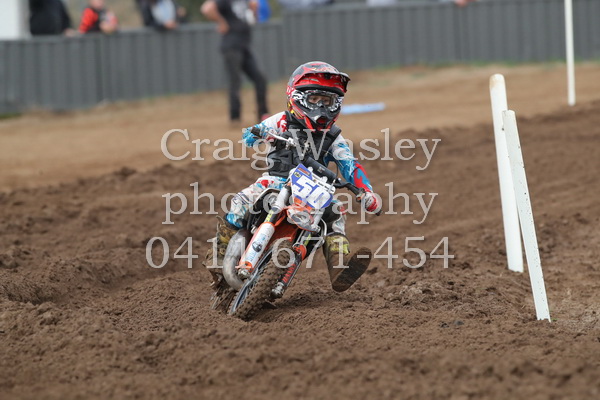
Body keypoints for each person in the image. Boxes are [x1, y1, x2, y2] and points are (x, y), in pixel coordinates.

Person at [204, 61, 381, 293]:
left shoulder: (333, 137)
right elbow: (248, 137)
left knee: (336, 212)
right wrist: (261, 133)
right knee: (241, 201)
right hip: (276, 181)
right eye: (314, 99)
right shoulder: (281, 121)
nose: (321, 107)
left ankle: (339, 265)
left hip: (314, 191)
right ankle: (218, 254)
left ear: (336, 104)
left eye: (327, 101)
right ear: (296, 97)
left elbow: (350, 165)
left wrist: (366, 191)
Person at [201, 0, 269, 125]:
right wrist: (221, 22)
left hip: (245, 46)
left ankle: (263, 114)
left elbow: (253, 20)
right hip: (231, 47)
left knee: (260, 79)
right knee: (235, 81)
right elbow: (206, 9)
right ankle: (235, 117)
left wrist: (254, 9)